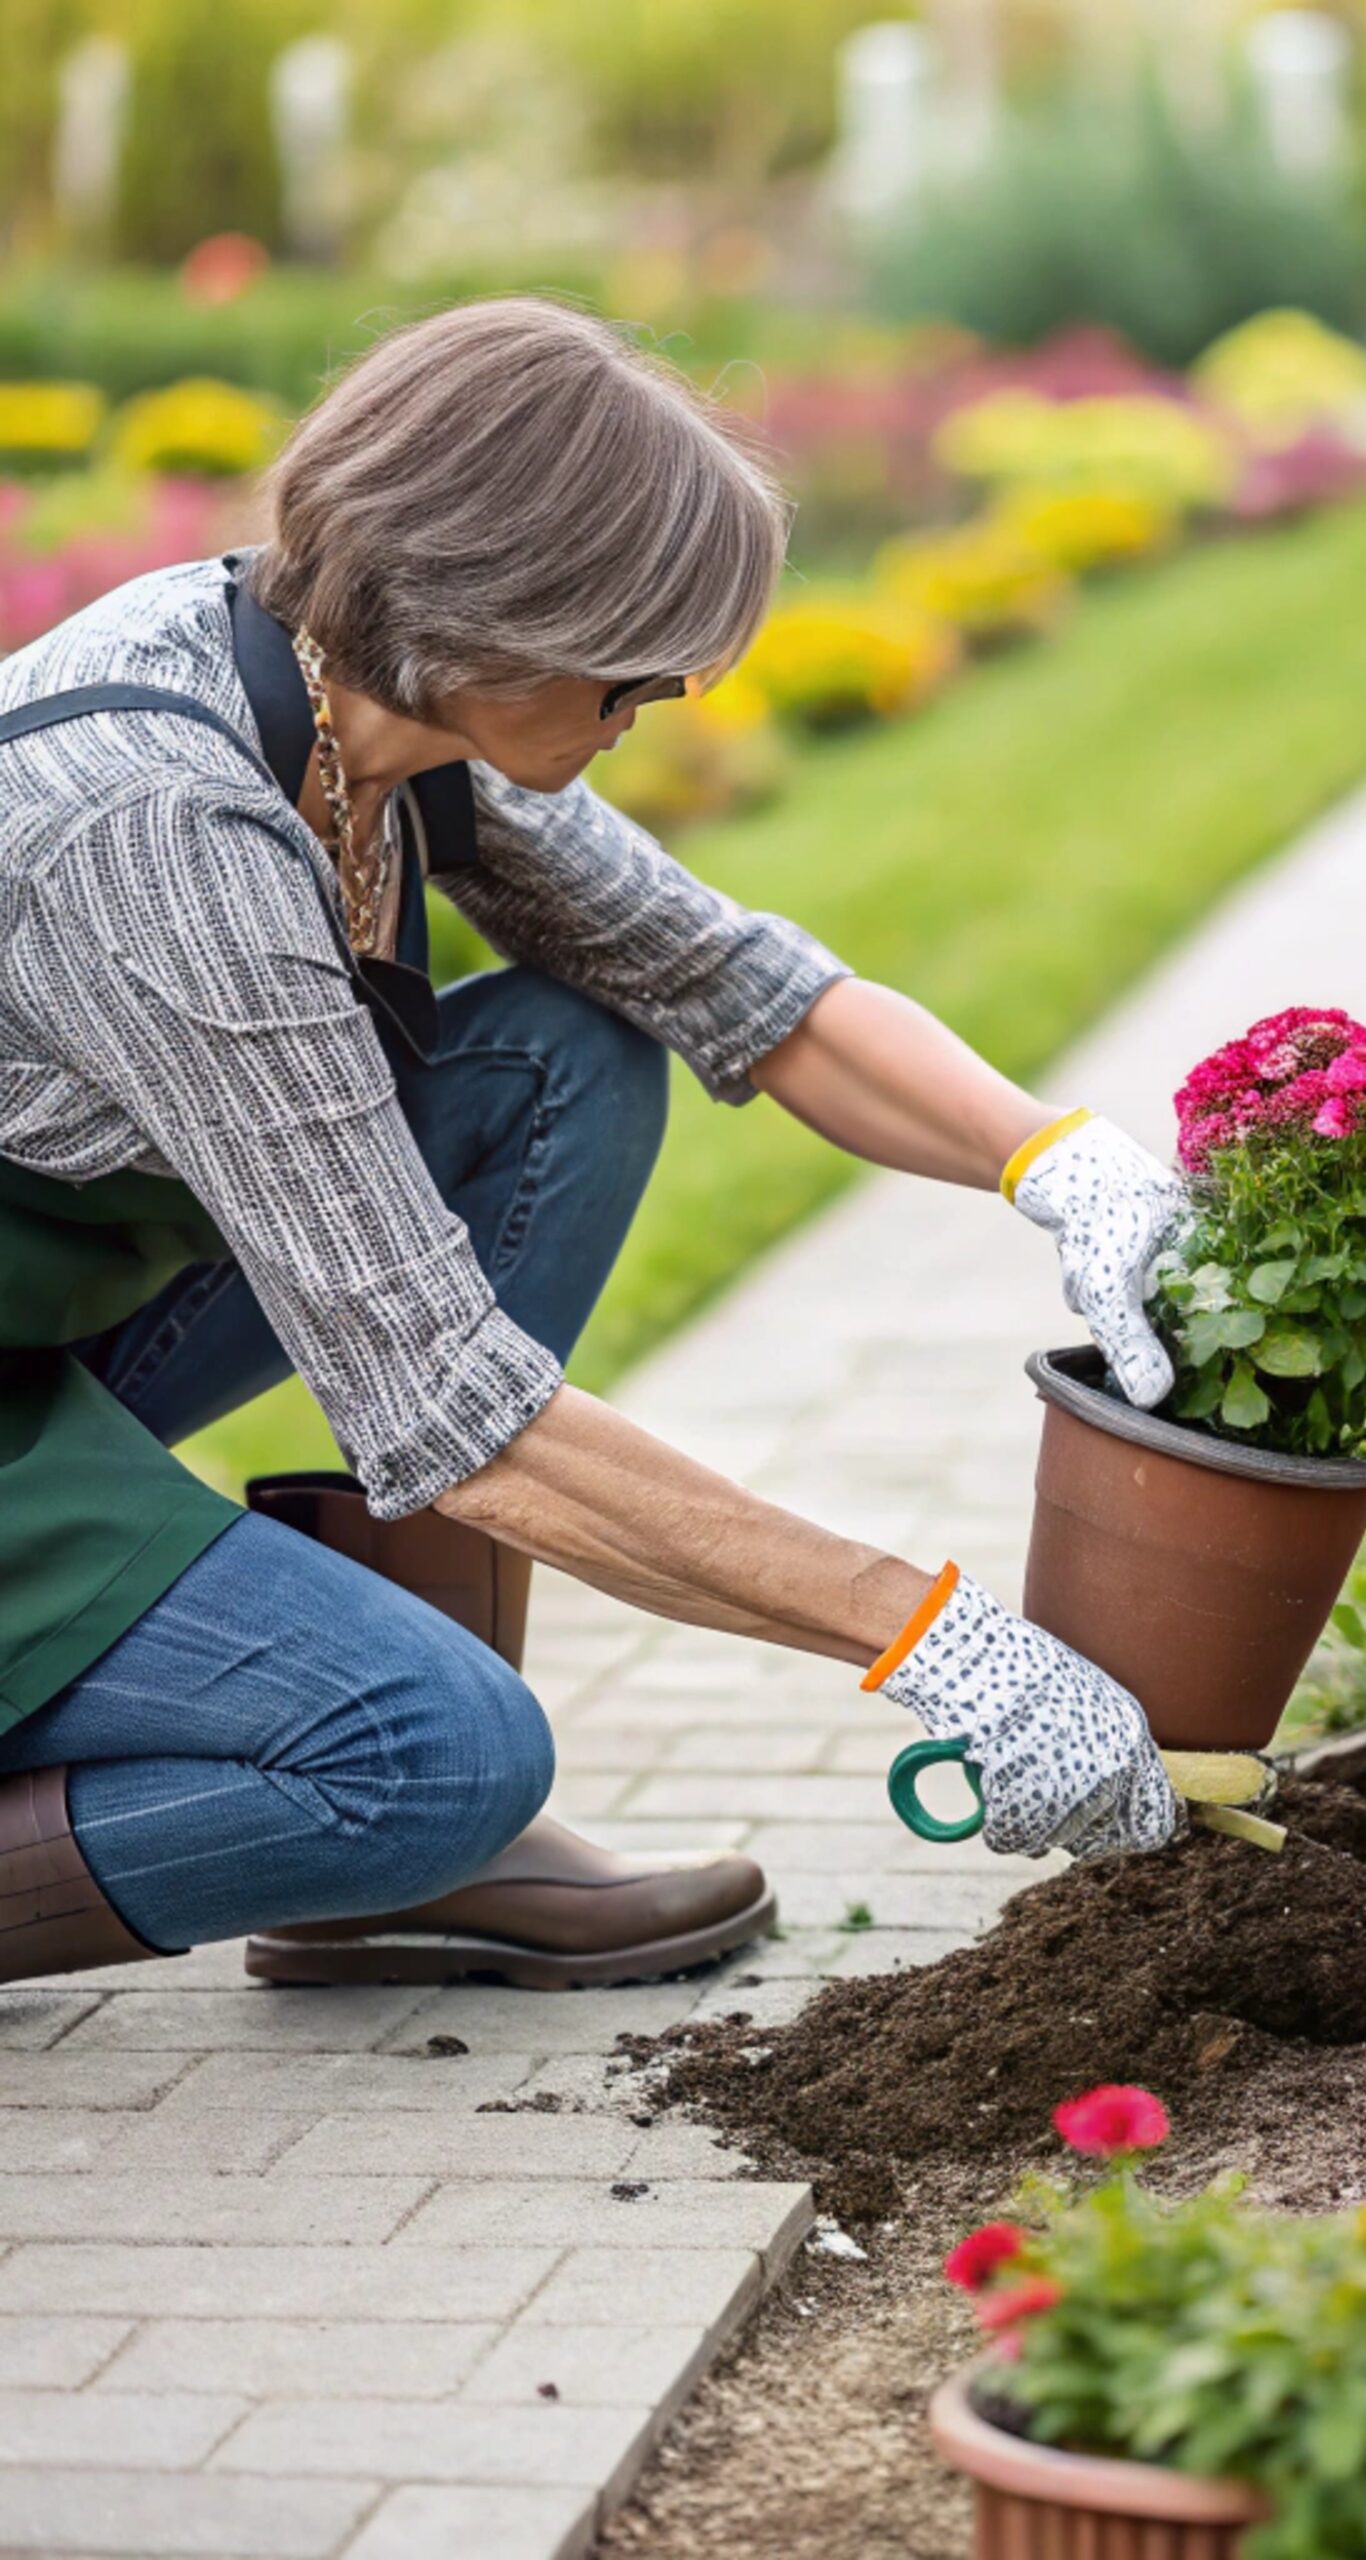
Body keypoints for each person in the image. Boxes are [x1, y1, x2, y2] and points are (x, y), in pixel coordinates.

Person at [0, 297, 1186, 1994]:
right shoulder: (167, 828)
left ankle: (393, 1876)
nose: (674, 695)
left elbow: (732, 983)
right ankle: (393, 1808)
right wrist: (937, 1641)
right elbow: (454, 1412)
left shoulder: (372, 714)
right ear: (500, 617)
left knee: (568, 1060)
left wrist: (1069, 1164)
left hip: (42, 1328)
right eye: (642, 661)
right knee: (436, 1754)